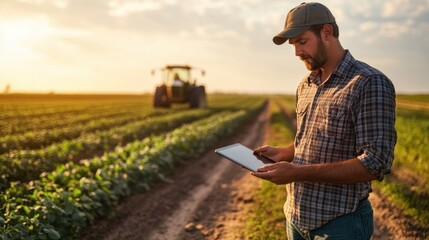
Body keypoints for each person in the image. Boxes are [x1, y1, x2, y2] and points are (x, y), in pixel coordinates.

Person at [251, 2, 397, 239]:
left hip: (340, 223)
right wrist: (286, 152)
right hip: (296, 218)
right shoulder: (306, 84)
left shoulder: (369, 83)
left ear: (326, 33)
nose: (296, 52)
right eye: (293, 45)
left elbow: (376, 162)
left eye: (302, 41)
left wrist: (297, 172)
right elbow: (314, 139)